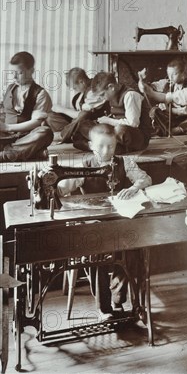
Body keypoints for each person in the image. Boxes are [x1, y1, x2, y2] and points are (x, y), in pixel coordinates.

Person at [57, 124, 152, 316]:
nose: (106, 151)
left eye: (111, 146)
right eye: (101, 146)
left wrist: (134, 188)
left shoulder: (125, 163)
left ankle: (119, 297)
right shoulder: (84, 166)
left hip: (120, 222)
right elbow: (62, 188)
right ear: (91, 145)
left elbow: (145, 179)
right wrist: (50, 186)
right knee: (97, 253)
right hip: (95, 227)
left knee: (132, 250)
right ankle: (104, 308)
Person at [72, 72, 153, 153]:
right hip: (117, 135)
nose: (101, 98)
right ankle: (109, 147)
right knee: (84, 125)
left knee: (120, 129)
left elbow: (133, 124)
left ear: (111, 87)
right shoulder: (111, 96)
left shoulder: (130, 95)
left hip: (137, 137)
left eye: (102, 94)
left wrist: (108, 121)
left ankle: (99, 147)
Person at [0, 51, 54, 161]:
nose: (14, 76)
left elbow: (36, 123)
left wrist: (7, 127)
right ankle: (31, 153)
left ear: (31, 71)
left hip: (25, 137)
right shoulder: (9, 88)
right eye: (12, 72)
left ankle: (6, 155)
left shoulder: (41, 94)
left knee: (45, 132)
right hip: (4, 136)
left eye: (19, 73)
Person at [46, 67, 106, 142]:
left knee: (83, 114)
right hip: (75, 124)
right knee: (50, 116)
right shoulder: (81, 93)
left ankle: (63, 135)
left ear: (81, 82)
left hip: (91, 123)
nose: (75, 91)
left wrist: (62, 109)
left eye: (75, 88)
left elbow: (82, 114)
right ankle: (70, 135)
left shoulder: (93, 91)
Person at [138, 57, 187, 136]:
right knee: (154, 111)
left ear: (183, 73)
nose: (170, 77)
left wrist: (170, 110)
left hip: (185, 119)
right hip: (170, 118)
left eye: (174, 74)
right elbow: (147, 88)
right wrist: (141, 81)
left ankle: (173, 130)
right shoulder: (166, 83)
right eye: (169, 74)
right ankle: (167, 131)